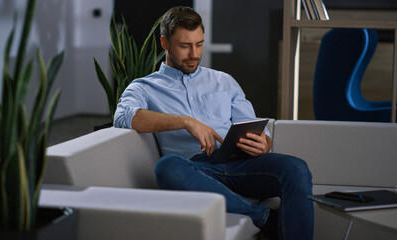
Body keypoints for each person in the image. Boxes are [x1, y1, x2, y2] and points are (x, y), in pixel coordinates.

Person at [114, 6, 313, 240]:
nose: (194, 54)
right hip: (197, 171)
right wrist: (185, 122)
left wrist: (263, 143)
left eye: (199, 44)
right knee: (168, 167)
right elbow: (123, 116)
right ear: (165, 43)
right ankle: (264, 218)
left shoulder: (223, 81)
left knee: (296, 168)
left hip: (242, 165)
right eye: (185, 46)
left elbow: (254, 126)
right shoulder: (145, 87)